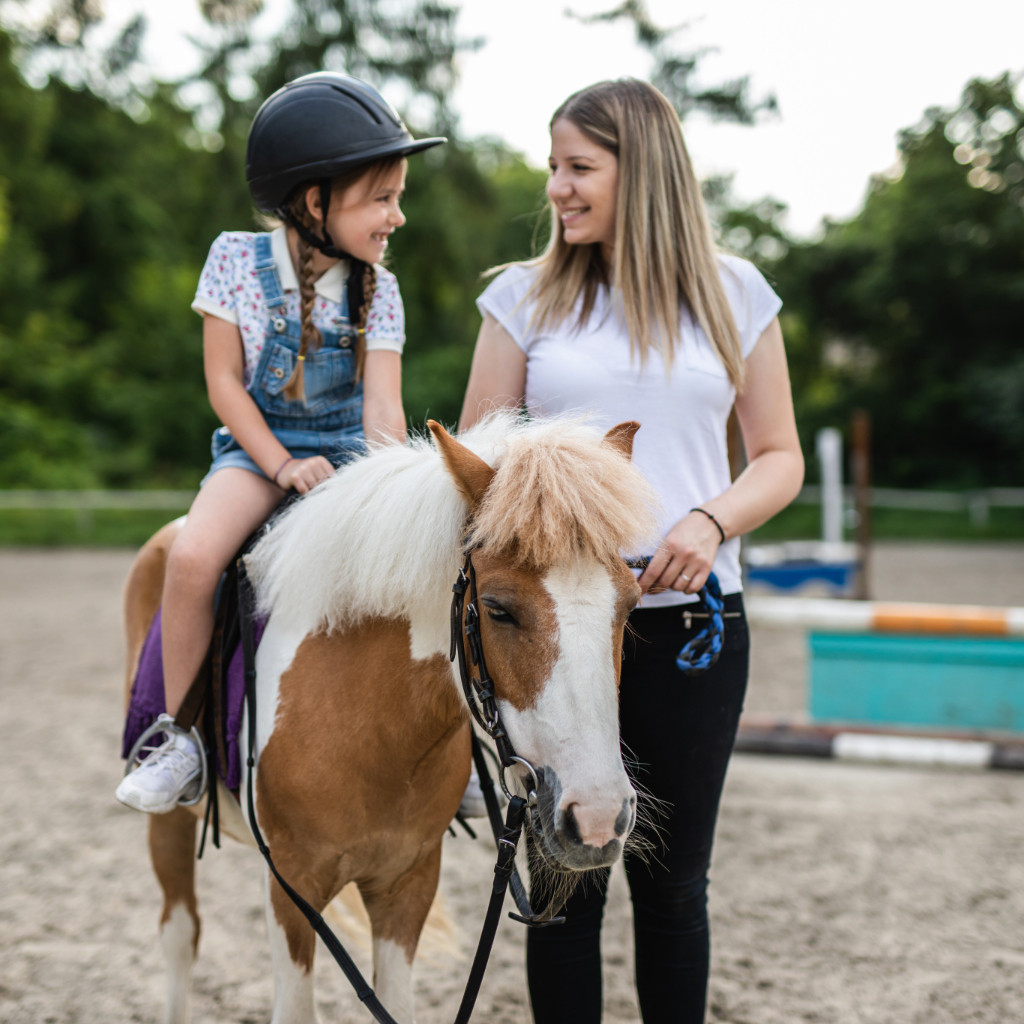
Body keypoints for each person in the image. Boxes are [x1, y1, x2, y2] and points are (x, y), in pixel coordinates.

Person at [459, 79, 804, 1023]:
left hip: (691, 627)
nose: (557, 188)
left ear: (640, 170)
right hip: (556, 638)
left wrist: (708, 521)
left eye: (579, 168)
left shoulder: (737, 294)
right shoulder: (520, 298)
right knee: (564, 889)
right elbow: (480, 464)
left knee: (675, 890)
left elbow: (779, 459)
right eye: (553, 167)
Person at [116, 72, 445, 814]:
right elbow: (226, 385)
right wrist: (281, 464)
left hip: (348, 453)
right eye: (381, 198)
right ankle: (178, 739)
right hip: (257, 449)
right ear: (313, 201)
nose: (397, 215)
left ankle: (438, 750)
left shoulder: (378, 289)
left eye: (398, 196)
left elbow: (383, 409)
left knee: (421, 563)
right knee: (196, 555)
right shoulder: (234, 260)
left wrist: (384, 489)